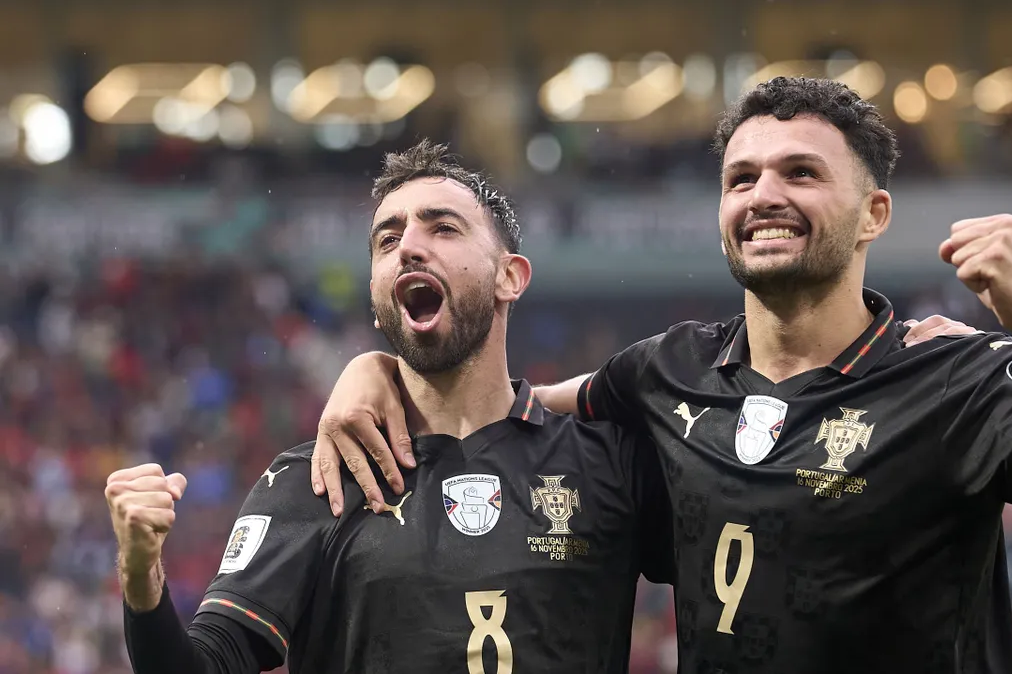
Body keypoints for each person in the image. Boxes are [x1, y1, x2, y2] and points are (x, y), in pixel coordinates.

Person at [312, 77, 1012, 673]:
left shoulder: (954, 374)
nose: (764, 195)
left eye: (801, 173)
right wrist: (376, 367)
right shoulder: (668, 368)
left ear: (874, 215)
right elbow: (505, 406)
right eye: (741, 178)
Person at [105, 140, 673, 674]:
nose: (409, 247)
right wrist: (141, 576)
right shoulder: (316, 480)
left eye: (444, 228)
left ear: (510, 277)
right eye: (387, 239)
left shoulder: (608, 462)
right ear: (378, 303)